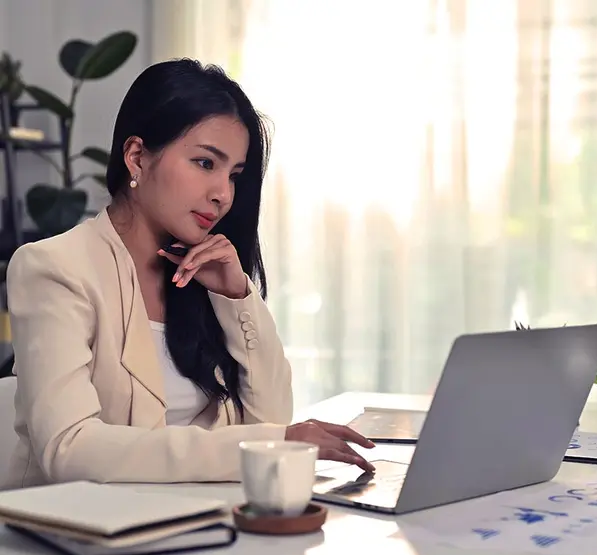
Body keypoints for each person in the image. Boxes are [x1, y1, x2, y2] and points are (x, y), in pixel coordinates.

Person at [3, 59, 375, 489]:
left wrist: (237, 297)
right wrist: (262, 444)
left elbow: (270, 419)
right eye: (204, 163)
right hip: (71, 537)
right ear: (137, 157)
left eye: (234, 175)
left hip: (191, 525)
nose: (223, 194)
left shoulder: (202, 276)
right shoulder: (54, 268)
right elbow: (69, 448)